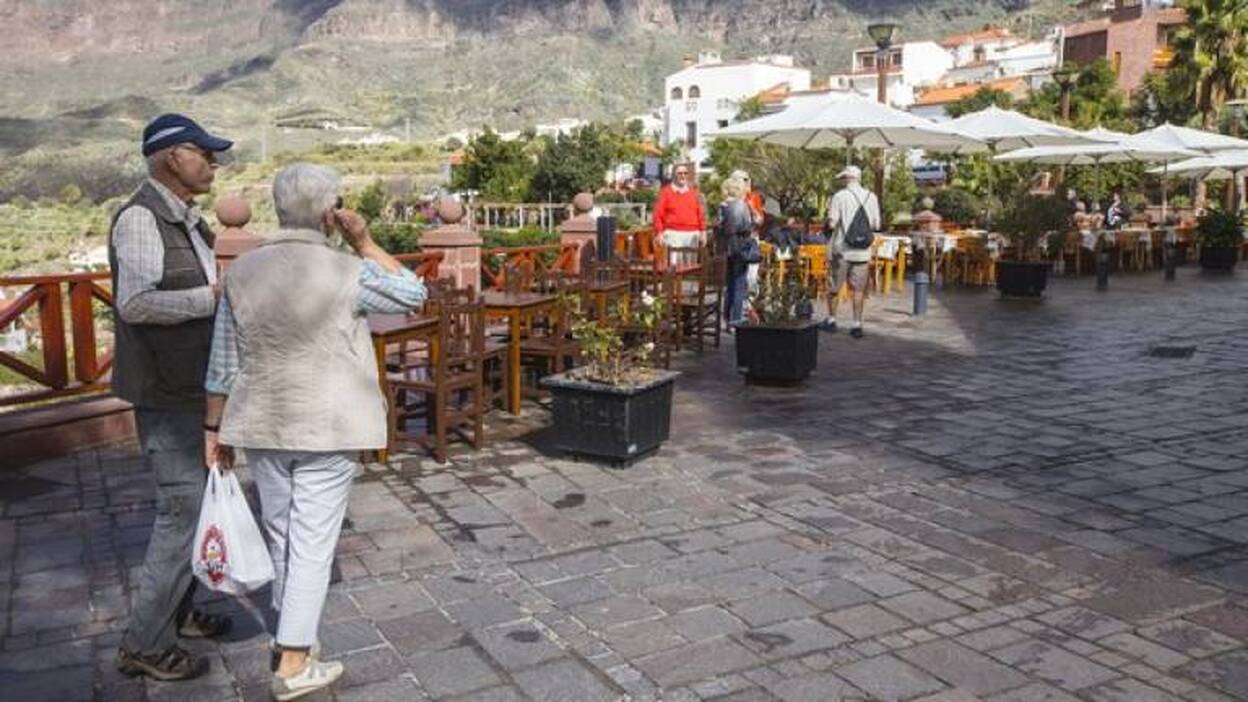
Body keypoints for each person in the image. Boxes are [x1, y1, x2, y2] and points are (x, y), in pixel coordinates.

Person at [204, 163, 427, 701]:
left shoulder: (243, 271)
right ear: (332, 211)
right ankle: (294, 662)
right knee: (311, 543)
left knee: (282, 530)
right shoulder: (347, 271)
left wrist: (213, 429)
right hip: (328, 423)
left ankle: (289, 638)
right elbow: (413, 292)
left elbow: (222, 362)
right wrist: (365, 240)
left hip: (261, 420)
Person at [111, 113, 235, 682]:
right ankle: (143, 642)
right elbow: (135, 303)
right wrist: (212, 299)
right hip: (166, 393)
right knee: (181, 512)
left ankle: (178, 611)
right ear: (170, 158)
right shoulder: (141, 219)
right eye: (203, 154)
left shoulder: (187, 220)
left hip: (191, 387)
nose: (212, 163)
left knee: (195, 505)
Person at [823, 165, 880, 339]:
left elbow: (832, 224)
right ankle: (857, 324)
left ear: (847, 178)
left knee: (834, 287)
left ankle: (832, 320)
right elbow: (876, 225)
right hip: (863, 251)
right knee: (859, 290)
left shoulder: (839, 196)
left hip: (842, 250)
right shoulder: (872, 197)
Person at [716, 175, 754, 325]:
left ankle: (726, 316)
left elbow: (719, 227)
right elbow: (747, 226)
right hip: (740, 247)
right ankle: (736, 318)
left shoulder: (723, 206)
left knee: (729, 283)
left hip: (727, 248)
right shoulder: (742, 205)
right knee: (739, 284)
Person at [653, 163, 706, 263]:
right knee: (673, 267)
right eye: (680, 173)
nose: (683, 176)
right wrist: (659, 232)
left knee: (691, 267)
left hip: (692, 234)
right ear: (674, 175)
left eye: (685, 173)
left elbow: (701, 213)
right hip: (673, 234)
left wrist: (703, 232)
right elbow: (657, 214)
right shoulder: (665, 192)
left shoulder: (693, 192)